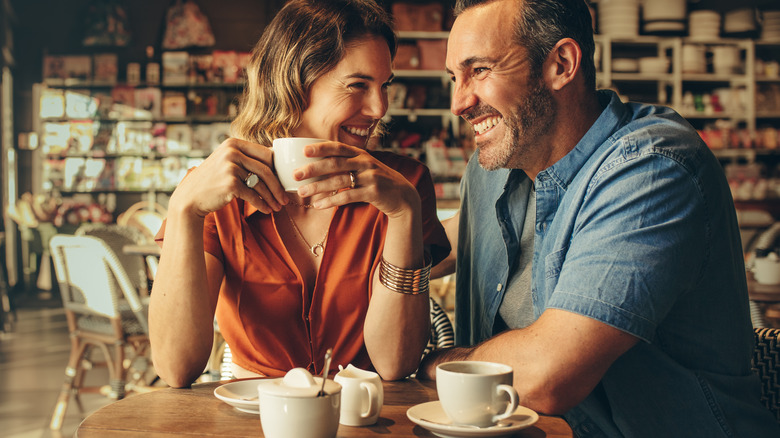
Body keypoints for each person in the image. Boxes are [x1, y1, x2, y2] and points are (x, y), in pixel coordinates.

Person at [420, 0, 780, 436]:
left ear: (562, 64)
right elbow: (432, 249)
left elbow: (548, 376)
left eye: (479, 71)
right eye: (454, 77)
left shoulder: (651, 168)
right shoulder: (491, 174)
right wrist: (390, 214)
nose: (459, 102)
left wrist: (440, 362)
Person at [149, 0, 450, 388]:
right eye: (358, 85)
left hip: (366, 423)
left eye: (384, 86)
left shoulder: (404, 186)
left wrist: (405, 213)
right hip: (255, 419)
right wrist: (184, 210)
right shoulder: (217, 193)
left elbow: (394, 363)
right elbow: (175, 368)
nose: (380, 108)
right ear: (293, 82)